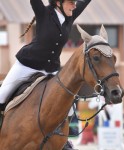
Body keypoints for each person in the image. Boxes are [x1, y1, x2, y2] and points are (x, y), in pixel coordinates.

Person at [0, 0, 91, 149]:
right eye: (71, 2)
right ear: (58, 3)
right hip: (27, 65)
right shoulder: (43, 12)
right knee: (1, 95)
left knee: (66, 101)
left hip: (50, 69)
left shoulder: (70, 16)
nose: (74, 5)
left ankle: (64, 139)